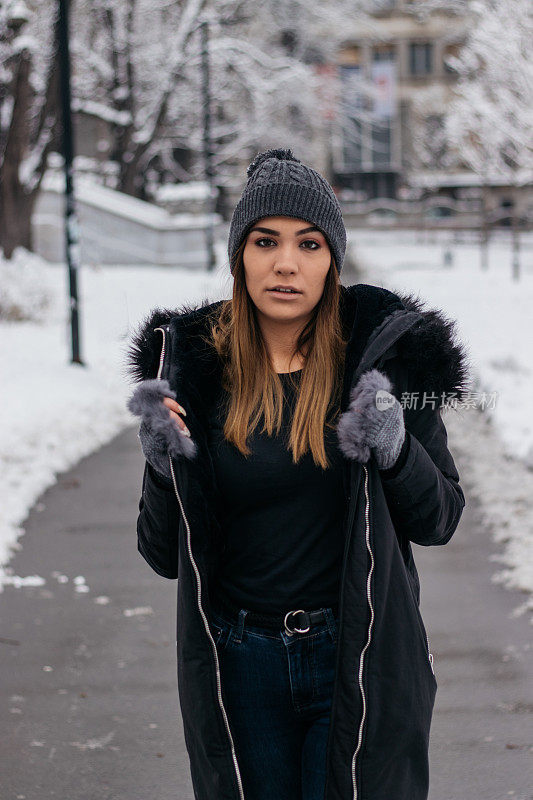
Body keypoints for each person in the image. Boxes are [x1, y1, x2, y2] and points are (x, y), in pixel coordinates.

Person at [125, 148, 469, 800]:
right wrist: (162, 468)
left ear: (331, 261)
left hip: (357, 657)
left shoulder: (386, 360)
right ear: (240, 258)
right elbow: (162, 554)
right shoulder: (193, 375)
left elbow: (439, 518)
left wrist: (396, 448)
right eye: (265, 241)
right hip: (238, 662)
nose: (286, 262)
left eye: (308, 244)